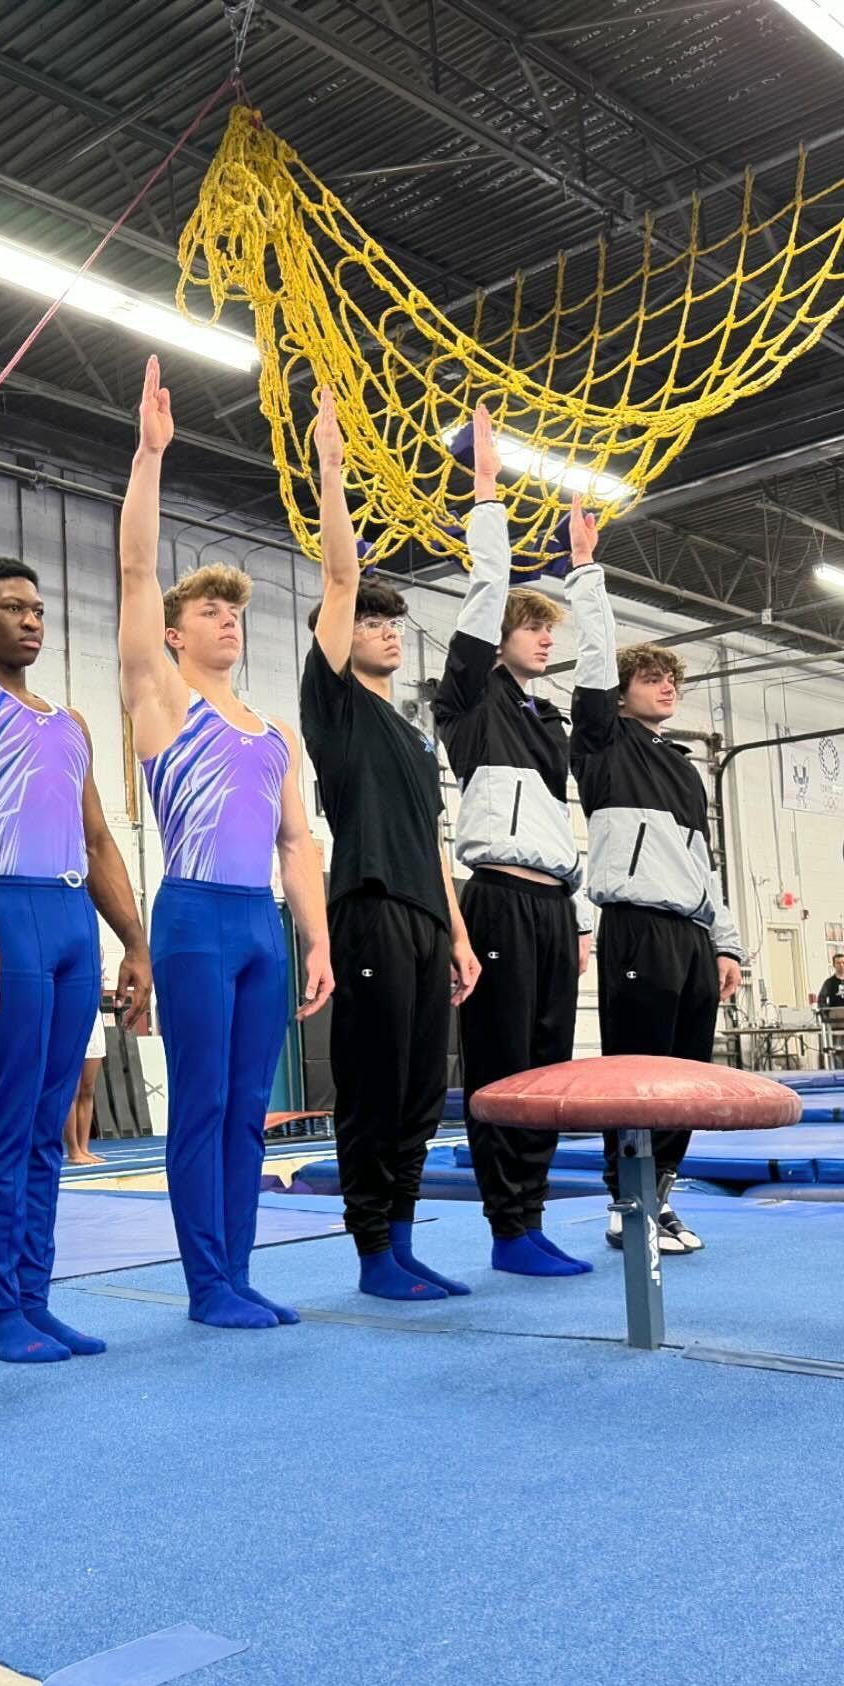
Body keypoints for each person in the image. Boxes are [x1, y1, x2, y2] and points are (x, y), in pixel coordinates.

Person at [0, 353, 152, 1364]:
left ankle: (37, 1297)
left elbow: (98, 840)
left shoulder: (72, 722)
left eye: (40, 608)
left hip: (66, 922)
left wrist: (135, 943)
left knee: (53, 1121)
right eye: (12, 607)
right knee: (4, 1125)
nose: (32, 618)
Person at [118, 356, 332, 1330]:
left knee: (249, 1110)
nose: (228, 622)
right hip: (196, 915)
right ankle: (207, 1285)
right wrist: (150, 455)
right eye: (209, 610)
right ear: (171, 632)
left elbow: (297, 845)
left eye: (237, 612)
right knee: (201, 1104)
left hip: (260, 923)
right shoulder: (161, 702)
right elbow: (131, 569)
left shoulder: (270, 731)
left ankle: (239, 1273)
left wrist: (318, 938)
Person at [303, 387, 480, 1302]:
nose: (388, 630)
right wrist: (332, 473)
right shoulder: (333, 707)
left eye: (394, 621)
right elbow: (338, 581)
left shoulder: (413, 736)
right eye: (374, 621)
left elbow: (433, 837)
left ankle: (404, 1242)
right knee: (373, 1089)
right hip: (367, 912)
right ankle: (373, 1252)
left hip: (422, 915)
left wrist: (456, 933)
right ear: (340, 641)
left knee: (419, 1091)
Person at [433, 404, 594, 1278]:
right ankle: (506, 1228)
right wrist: (486, 489)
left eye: (550, 627)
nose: (544, 634)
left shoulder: (550, 719)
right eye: (534, 626)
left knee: (548, 1068)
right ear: (497, 639)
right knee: (500, 1066)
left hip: (552, 906)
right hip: (493, 895)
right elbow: (483, 590)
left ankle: (529, 1218)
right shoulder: (468, 699)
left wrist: (586, 574)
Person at [568, 498, 744, 1255]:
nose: (666, 686)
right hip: (635, 927)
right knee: (635, 1074)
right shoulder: (603, 744)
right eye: (652, 678)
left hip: (692, 938)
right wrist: (586, 571)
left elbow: (707, 865)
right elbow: (596, 661)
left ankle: (661, 1197)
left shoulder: (685, 771)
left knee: (686, 1080)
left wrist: (729, 944)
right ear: (621, 692)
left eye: (673, 679)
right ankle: (621, 1201)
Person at [65, 995, 108, 1167]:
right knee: (71, 1091)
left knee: (88, 1089)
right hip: (69, 1014)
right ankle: (73, 1150)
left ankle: (84, 1148)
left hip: (93, 1017)